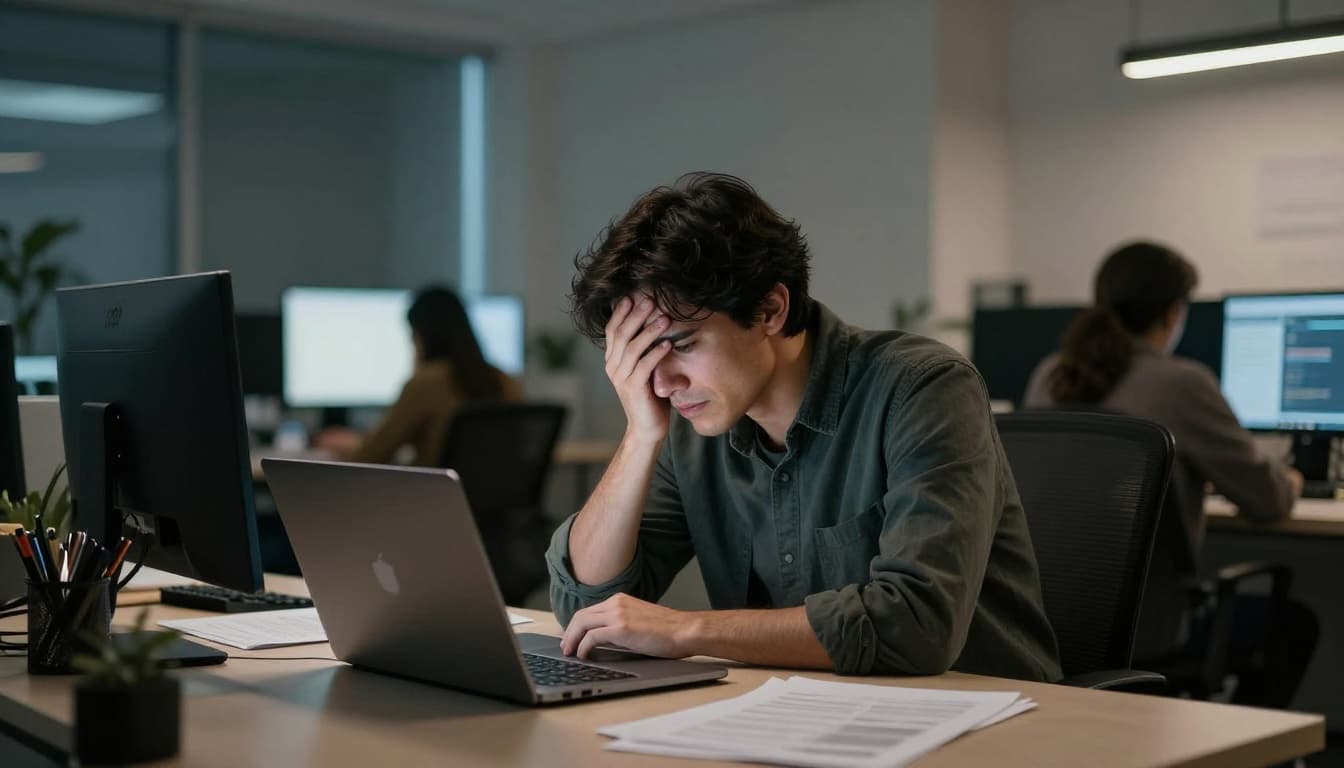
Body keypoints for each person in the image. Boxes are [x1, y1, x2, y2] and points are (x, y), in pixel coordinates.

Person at [546, 172, 1061, 681]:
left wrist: (687, 630)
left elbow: (915, 624)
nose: (661, 384)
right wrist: (640, 435)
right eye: (642, 357)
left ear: (770, 309)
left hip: (989, 711)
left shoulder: (924, 389)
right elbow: (586, 608)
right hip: (799, 711)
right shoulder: (690, 428)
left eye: (681, 345)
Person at [1023, 241, 1317, 707]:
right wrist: (1294, 480)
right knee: (1294, 624)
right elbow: (1267, 501)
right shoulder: (1182, 384)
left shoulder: (1050, 375)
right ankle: (1241, 743)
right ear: (1173, 313)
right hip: (1150, 628)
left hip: (1050, 620)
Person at [316, 285, 521, 466]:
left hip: (435, 495)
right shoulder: (504, 380)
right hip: (497, 498)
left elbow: (371, 456)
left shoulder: (426, 383)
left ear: (421, 336)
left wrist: (349, 444)